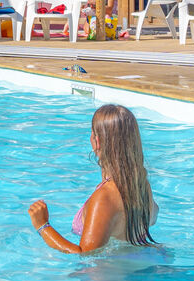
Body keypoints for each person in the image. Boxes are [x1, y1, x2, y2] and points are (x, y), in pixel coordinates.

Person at [28, 104, 159, 254]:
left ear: (97, 141)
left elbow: (85, 253)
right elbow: (152, 219)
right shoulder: (141, 184)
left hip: (107, 275)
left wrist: (43, 226)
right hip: (136, 266)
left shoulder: (105, 198)